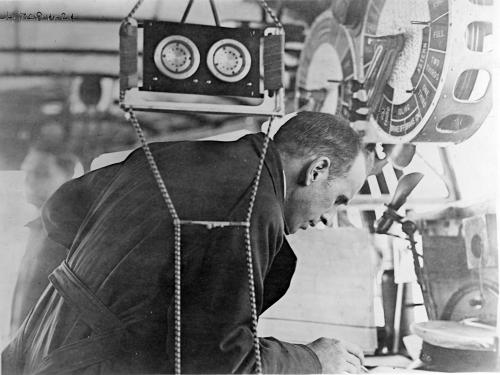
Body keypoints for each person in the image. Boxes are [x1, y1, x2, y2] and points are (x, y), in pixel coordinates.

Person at [2, 112, 371, 374]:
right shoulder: (251, 204)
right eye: (339, 199)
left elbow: (60, 210)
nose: (329, 218)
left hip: (33, 346)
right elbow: (218, 362)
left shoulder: (183, 156)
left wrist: (109, 284)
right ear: (317, 169)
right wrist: (313, 360)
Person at [9, 142, 77, 334]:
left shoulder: (71, 231)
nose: (29, 181)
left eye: (40, 173)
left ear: (68, 177)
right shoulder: (37, 228)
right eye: (27, 173)